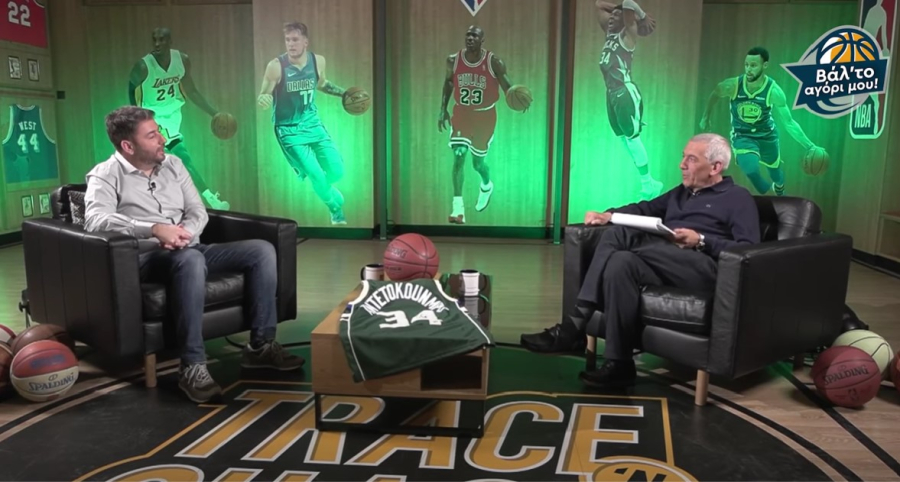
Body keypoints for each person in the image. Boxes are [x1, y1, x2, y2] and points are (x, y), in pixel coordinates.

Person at [84, 106, 304, 404]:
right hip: (144, 259)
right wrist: (155, 230)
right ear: (128, 146)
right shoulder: (105, 175)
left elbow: (197, 210)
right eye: (152, 135)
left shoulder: (174, 164)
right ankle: (192, 366)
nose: (162, 139)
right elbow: (96, 220)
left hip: (189, 247)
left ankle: (261, 347)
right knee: (191, 260)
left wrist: (182, 234)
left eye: (159, 131)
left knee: (261, 250)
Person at [520, 133, 760, 387]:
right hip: (666, 262)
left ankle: (574, 327)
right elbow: (644, 209)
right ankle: (619, 364)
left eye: (691, 159)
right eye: (683, 157)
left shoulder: (738, 198)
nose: (682, 165)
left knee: (618, 235)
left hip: (703, 268)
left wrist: (701, 239)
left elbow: (748, 250)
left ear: (715, 167)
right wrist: (608, 215)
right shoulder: (681, 193)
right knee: (620, 263)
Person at [700, 46, 826, 196]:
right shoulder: (732, 86)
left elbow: (789, 122)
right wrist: (706, 117)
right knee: (751, 168)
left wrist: (809, 145)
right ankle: (766, 194)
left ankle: (779, 186)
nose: (748, 69)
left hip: (767, 136)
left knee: (776, 174)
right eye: (746, 65)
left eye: (753, 65)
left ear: (764, 65)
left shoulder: (774, 92)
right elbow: (715, 94)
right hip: (743, 135)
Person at [128, 27, 230, 210]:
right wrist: (137, 117)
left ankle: (196, 200)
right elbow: (131, 89)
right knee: (180, 157)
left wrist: (213, 113)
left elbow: (192, 91)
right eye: (154, 40)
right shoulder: (143, 66)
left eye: (162, 39)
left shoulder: (181, 60)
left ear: (170, 41)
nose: (157, 43)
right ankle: (209, 198)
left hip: (174, 115)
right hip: (153, 116)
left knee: (173, 161)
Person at [258, 22, 349, 225]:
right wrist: (263, 99)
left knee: (338, 171)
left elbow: (322, 83)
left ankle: (325, 187)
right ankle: (334, 209)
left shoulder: (318, 61)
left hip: (312, 124)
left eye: (295, 40)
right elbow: (264, 94)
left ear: (305, 42)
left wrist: (344, 93)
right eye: (287, 40)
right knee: (315, 174)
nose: (291, 44)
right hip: (289, 130)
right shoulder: (276, 66)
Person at [438, 25, 522, 224]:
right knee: (459, 155)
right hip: (462, 113)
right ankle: (458, 208)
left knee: (477, 164)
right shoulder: (453, 60)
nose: (470, 38)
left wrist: (518, 97)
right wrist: (443, 108)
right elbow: (449, 82)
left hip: (485, 117)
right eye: (467, 35)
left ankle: (486, 185)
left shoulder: (494, 62)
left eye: (474, 36)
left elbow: (508, 87)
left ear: (482, 40)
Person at [594, 0, 662, 201]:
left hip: (625, 92)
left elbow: (628, 3)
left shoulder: (627, 36)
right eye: (612, 15)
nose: (611, 17)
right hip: (611, 93)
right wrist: (618, 9)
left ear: (625, 21)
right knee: (623, 138)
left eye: (617, 15)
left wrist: (641, 15)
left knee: (632, 139)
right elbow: (599, 4)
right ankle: (648, 182)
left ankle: (648, 184)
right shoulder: (610, 35)